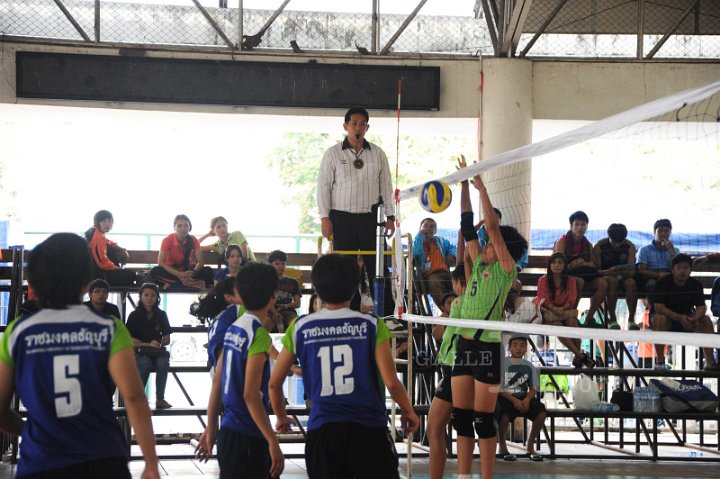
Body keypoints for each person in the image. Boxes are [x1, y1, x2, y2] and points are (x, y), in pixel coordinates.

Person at [0, 233, 159, 478]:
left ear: (35, 280)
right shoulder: (108, 328)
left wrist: (31, 430)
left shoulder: (17, 333)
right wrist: (150, 462)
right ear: (87, 282)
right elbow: (135, 398)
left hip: (41, 461)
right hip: (103, 458)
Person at [269, 254, 419, 479]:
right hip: (369, 430)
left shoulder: (301, 327)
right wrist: (408, 410)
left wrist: (281, 417)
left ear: (316, 289)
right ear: (354, 288)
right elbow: (391, 382)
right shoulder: (371, 325)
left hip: (323, 432)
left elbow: (274, 383)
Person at [451, 156, 528, 479]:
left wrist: (482, 187)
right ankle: (464, 475)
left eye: (490, 245)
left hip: (486, 349)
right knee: (462, 417)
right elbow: (468, 226)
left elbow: (492, 228)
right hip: (464, 347)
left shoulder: (504, 271)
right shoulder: (478, 264)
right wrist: (465, 183)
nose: (483, 245)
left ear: (502, 249)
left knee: (483, 420)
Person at [195, 262, 284, 479]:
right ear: (273, 297)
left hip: (228, 432)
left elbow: (217, 383)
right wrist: (272, 440)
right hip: (249, 434)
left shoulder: (233, 329)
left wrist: (211, 428)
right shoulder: (258, 334)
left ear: (240, 294)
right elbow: (250, 394)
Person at [317, 107, 395, 310]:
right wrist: (324, 218)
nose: (358, 128)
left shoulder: (378, 153)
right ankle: (346, 311)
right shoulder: (332, 153)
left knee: (378, 267)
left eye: (362, 124)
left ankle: (386, 314)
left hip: (371, 218)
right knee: (344, 269)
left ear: (367, 127)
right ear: (346, 126)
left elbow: (387, 186)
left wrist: (390, 216)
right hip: (341, 218)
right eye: (354, 124)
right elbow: (323, 186)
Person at [427, 264, 465, 479]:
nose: (452, 305)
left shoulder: (464, 314)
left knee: (434, 429)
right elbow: (437, 334)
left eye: (454, 301)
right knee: (436, 430)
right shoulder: (445, 320)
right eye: (448, 303)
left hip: (456, 373)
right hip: (448, 373)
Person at [651, 254, 719, 371]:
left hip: (688, 320)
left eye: (686, 268)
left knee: (706, 320)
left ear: (690, 270)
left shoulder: (696, 284)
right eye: (679, 268)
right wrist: (679, 318)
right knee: (659, 318)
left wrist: (695, 318)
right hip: (668, 320)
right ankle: (660, 362)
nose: (682, 271)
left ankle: (710, 361)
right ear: (673, 270)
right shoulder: (662, 283)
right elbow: (658, 307)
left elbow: (701, 307)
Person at [534, 252, 594, 369]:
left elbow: (572, 299)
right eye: (554, 262)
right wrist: (554, 308)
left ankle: (578, 357)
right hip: (548, 311)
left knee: (572, 321)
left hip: (565, 310)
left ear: (564, 266)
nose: (557, 265)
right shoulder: (543, 280)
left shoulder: (571, 280)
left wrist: (562, 308)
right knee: (557, 326)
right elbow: (542, 299)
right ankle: (580, 356)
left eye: (560, 262)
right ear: (550, 266)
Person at [496, 334, 547, 462]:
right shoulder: (502, 364)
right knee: (503, 417)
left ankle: (530, 445)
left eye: (522, 346)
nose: (518, 348)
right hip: (507, 397)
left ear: (526, 349)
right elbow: (499, 389)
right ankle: (502, 446)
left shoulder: (529, 366)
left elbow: (533, 388)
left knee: (541, 413)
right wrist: (514, 400)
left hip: (524, 398)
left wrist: (527, 400)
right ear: (509, 348)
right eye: (515, 345)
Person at [553, 211, 608, 325]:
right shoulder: (562, 242)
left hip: (585, 276)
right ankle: (570, 315)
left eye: (583, 224)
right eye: (577, 224)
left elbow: (593, 265)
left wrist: (582, 262)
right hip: (564, 277)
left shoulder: (588, 244)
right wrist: (576, 263)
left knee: (603, 283)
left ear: (587, 227)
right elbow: (558, 265)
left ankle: (589, 318)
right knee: (579, 282)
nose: (580, 227)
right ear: (571, 226)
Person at [126, 283, 173, 409]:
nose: (149, 298)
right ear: (140, 296)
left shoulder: (161, 314)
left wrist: (158, 344)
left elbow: (167, 339)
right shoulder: (134, 315)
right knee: (145, 363)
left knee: (163, 363)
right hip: (139, 351)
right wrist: (148, 344)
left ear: (157, 298)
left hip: (156, 351)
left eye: (153, 295)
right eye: (146, 295)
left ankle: (160, 399)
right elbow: (128, 340)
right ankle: (138, 399)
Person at [593, 223, 639, 330]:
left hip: (623, 276)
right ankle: (612, 318)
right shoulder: (599, 246)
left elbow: (632, 270)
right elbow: (596, 270)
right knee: (612, 281)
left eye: (620, 243)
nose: (617, 245)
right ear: (609, 237)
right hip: (606, 276)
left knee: (631, 283)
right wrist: (607, 272)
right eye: (614, 242)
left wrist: (622, 271)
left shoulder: (630, 246)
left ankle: (631, 319)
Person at [150, 214, 214, 289]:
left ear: (189, 227)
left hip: (187, 271)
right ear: (174, 228)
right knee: (154, 271)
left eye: (186, 226)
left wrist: (194, 273)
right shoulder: (167, 240)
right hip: (172, 271)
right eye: (179, 226)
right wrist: (179, 274)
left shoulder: (193, 240)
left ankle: (178, 282)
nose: (183, 229)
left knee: (208, 271)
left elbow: (201, 261)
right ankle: (190, 282)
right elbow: (160, 262)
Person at [84, 209, 138, 287]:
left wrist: (121, 249)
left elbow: (108, 242)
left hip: (96, 274)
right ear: (98, 222)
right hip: (100, 277)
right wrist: (117, 268)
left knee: (130, 276)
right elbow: (103, 263)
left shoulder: (94, 231)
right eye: (104, 221)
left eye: (110, 221)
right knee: (131, 275)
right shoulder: (98, 237)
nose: (108, 224)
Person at [412, 217, 456, 305]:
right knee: (434, 281)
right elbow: (414, 252)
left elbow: (453, 247)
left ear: (435, 231)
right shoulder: (417, 242)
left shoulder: (440, 241)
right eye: (425, 226)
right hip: (428, 276)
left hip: (445, 273)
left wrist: (451, 254)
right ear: (420, 229)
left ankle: (458, 309)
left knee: (459, 280)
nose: (428, 229)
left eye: (432, 227)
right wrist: (419, 235)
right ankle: (445, 310)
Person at [636, 218, 678, 307]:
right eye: (660, 231)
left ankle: (676, 310)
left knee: (680, 284)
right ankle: (654, 311)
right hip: (651, 277)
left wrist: (671, 250)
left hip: (670, 277)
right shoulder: (644, 250)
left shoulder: (675, 250)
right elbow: (642, 271)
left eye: (666, 231)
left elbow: (677, 267)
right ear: (654, 232)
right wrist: (659, 275)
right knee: (652, 285)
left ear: (670, 233)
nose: (663, 234)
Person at [267, 249, 301, 333]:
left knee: (296, 325)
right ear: (271, 265)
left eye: (283, 263)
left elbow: (297, 303)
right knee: (268, 325)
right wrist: (275, 312)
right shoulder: (267, 281)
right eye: (277, 264)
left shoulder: (293, 282)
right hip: (270, 311)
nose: (280, 266)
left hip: (288, 311)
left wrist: (286, 306)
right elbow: (265, 301)